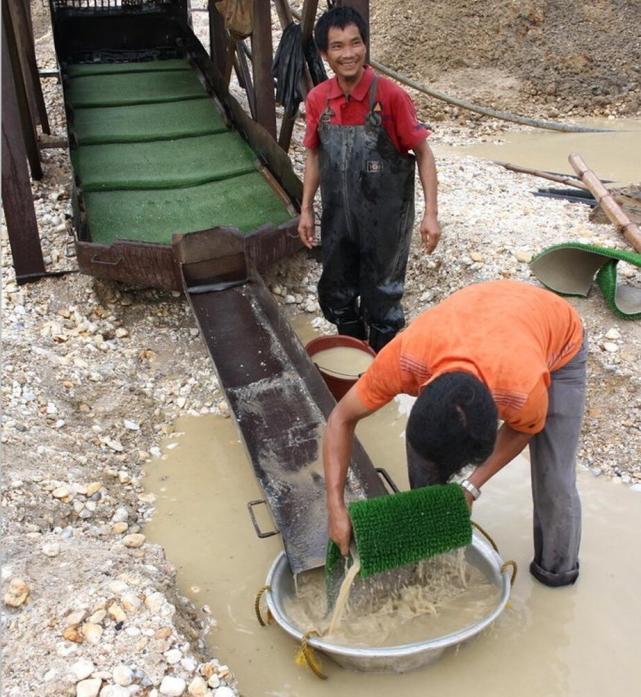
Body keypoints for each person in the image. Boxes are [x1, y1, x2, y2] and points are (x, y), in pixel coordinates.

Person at [323, 280, 588, 587]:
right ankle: (429, 555)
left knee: (555, 478)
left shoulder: (521, 392)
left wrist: (472, 485)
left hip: (559, 339)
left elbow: (522, 431)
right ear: (421, 391)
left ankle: (556, 574)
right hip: (483, 316)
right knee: (427, 454)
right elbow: (339, 419)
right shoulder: (404, 358)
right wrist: (335, 506)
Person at [298, 6, 441, 353]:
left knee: (382, 298)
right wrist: (306, 209)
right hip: (338, 220)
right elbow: (314, 154)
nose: (348, 54)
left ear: (364, 45)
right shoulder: (319, 100)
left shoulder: (390, 96)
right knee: (335, 291)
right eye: (337, 46)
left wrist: (430, 214)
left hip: (385, 222)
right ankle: (351, 352)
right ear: (324, 53)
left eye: (355, 43)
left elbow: (424, 154)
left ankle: (381, 364)